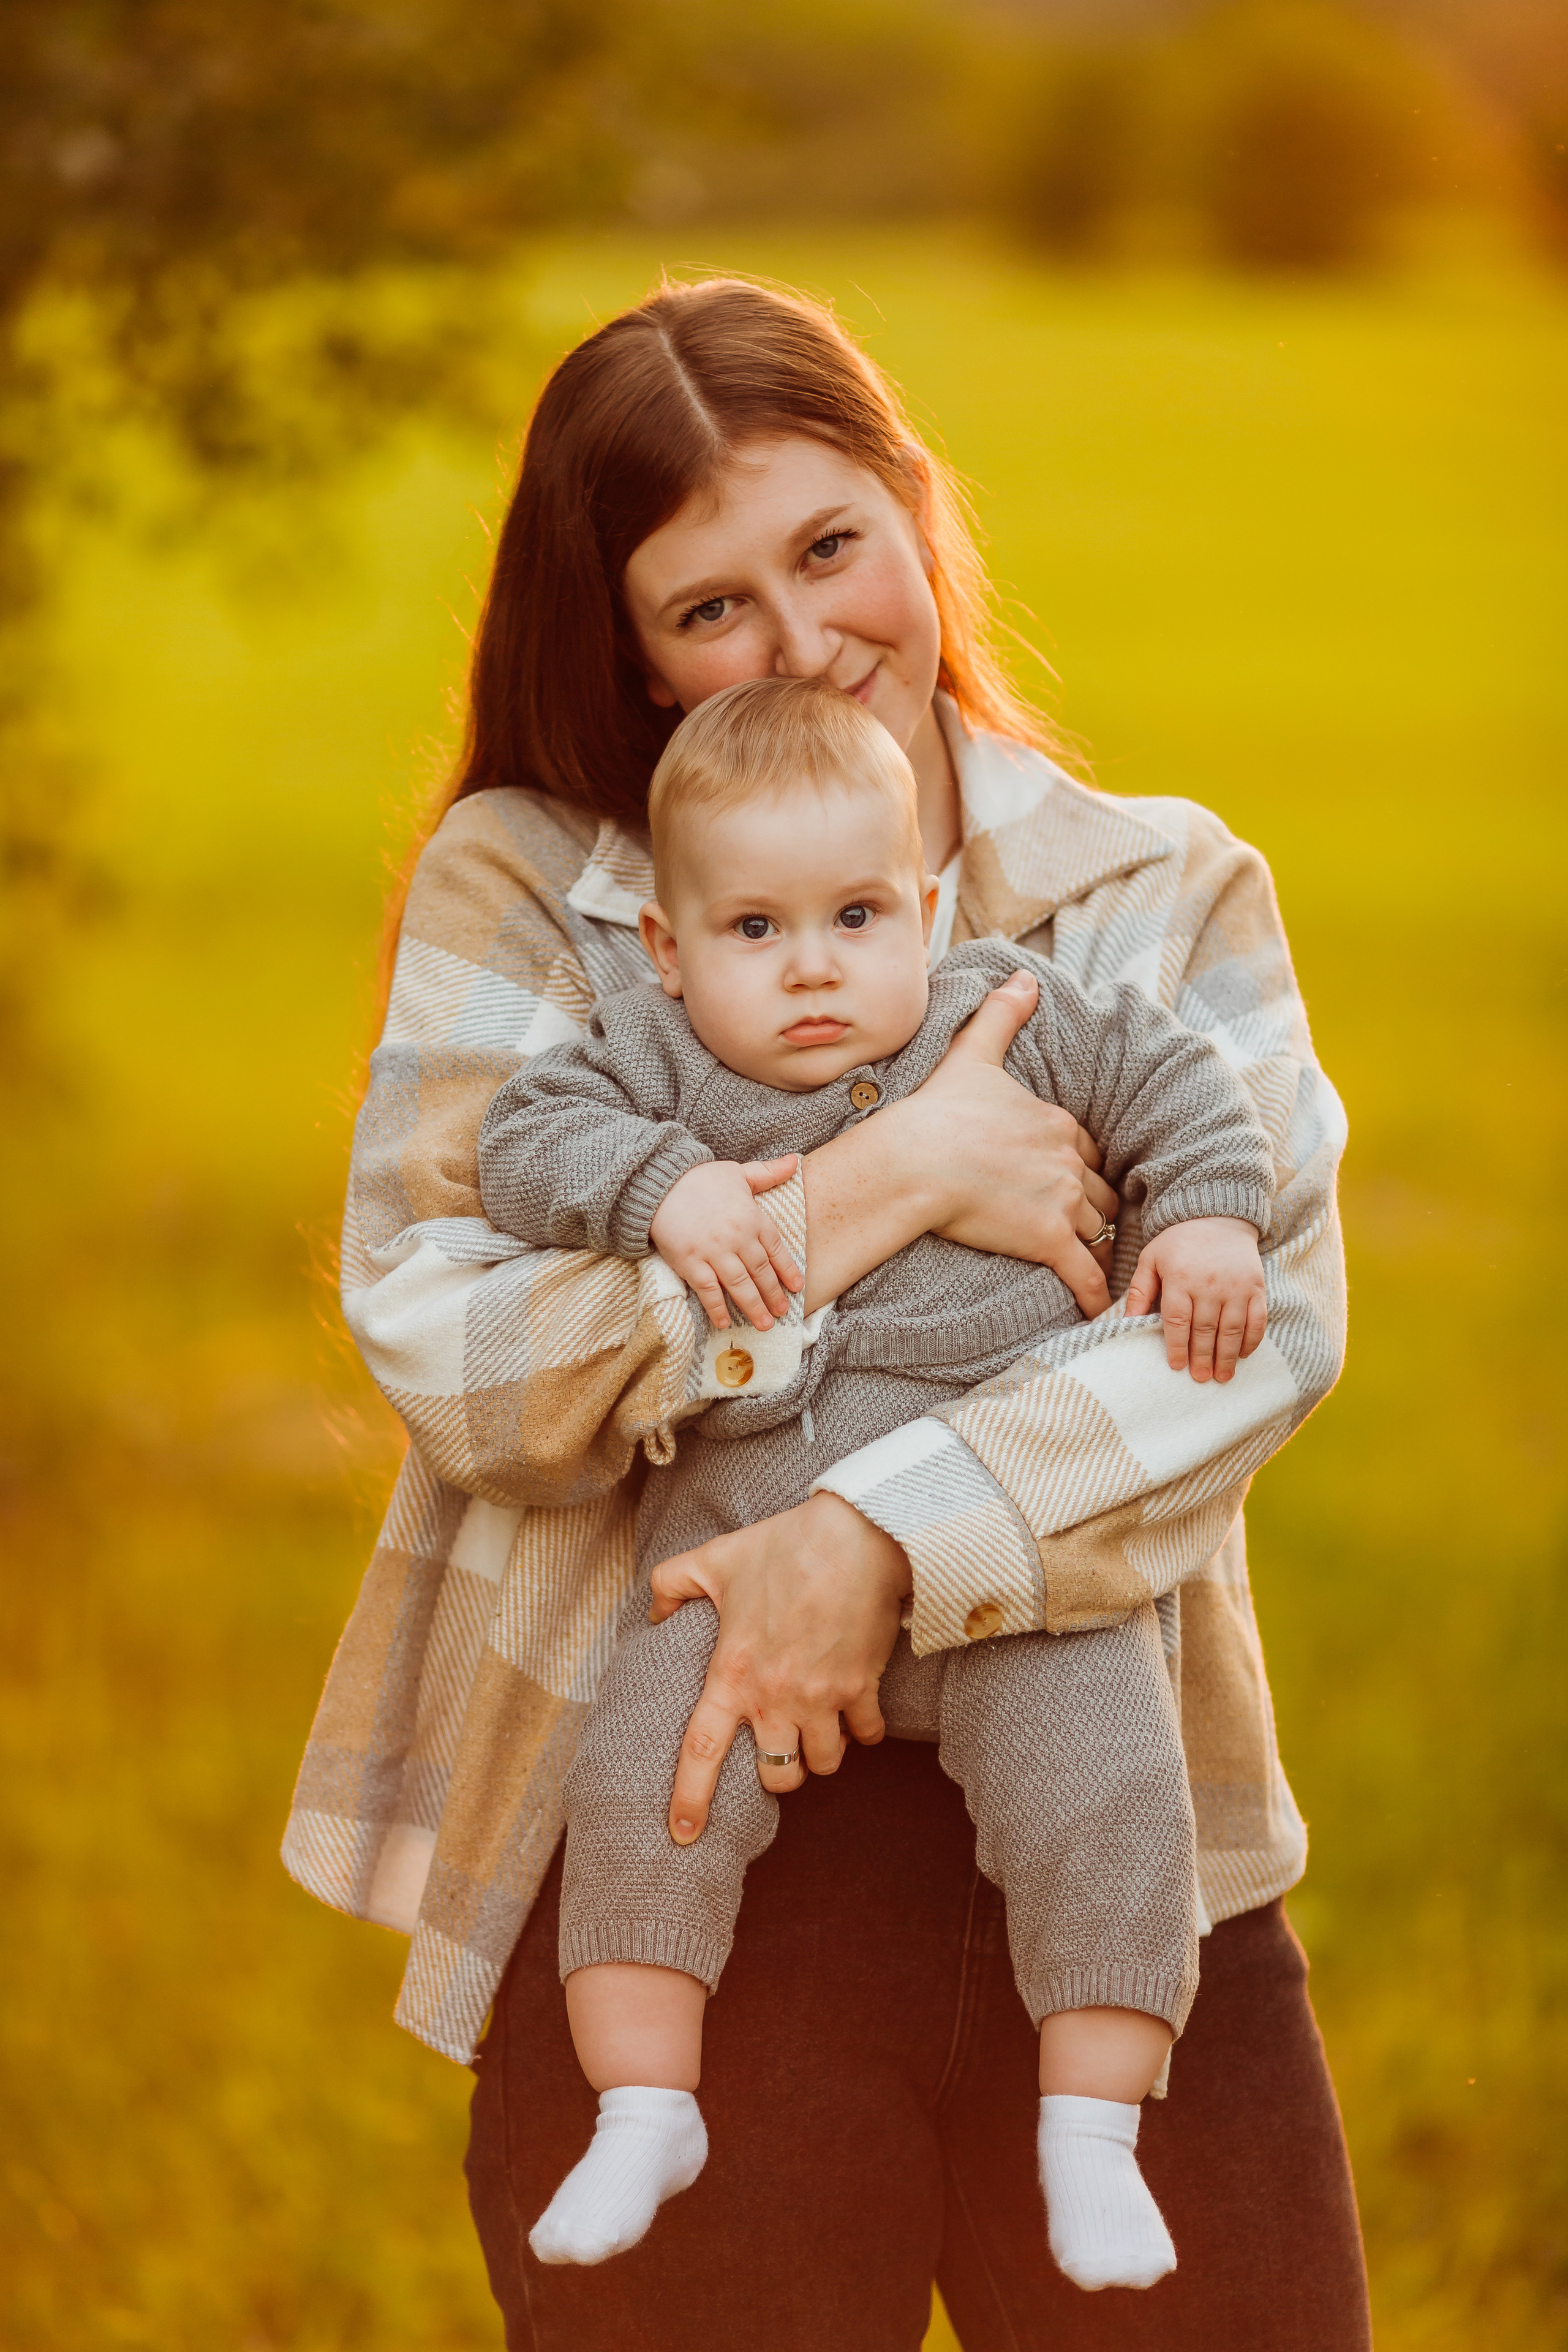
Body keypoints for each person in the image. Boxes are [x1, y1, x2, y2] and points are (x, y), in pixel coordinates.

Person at [283, 275, 1370, 2349]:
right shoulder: (543, 892)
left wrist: (873, 1548)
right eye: (710, 611)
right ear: (625, 648)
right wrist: (899, 1182)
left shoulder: (1158, 894)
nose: (805, 648)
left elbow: (1252, 1341)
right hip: (677, 1847)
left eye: (830, 549)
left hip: (1129, 1823)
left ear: (912, 505)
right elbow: (454, 1342)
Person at [476, 672, 1278, 2290]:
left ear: (921, 907)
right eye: (755, 931)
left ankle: (1093, 2134)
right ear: (669, 950)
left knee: (1113, 1788)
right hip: (742, 1574)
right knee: (652, 1784)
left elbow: (1188, 1085)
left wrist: (1201, 1215)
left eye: (856, 915)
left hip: (1016, 1571)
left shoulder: (1021, 1015)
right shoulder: (654, 1068)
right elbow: (524, 1138)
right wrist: (661, 1194)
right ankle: (647, 2101)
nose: (816, 967)